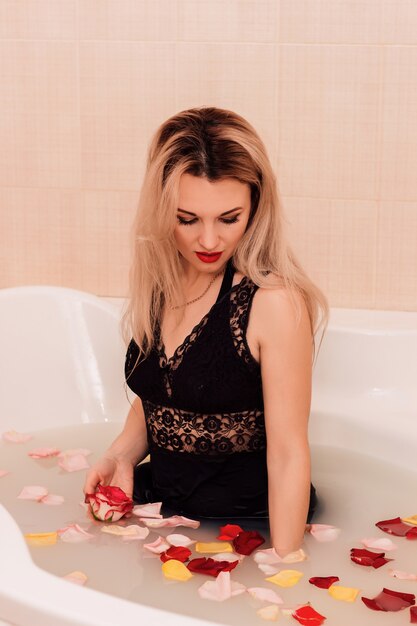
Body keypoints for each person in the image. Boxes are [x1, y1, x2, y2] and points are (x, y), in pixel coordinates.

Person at [84, 106, 328, 557]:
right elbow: (165, 392)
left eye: (229, 218)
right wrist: (121, 455)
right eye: (187, 219)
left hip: (247, 527)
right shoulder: (164, 278)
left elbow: (289, 452)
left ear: (256, 207)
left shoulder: (272, 301)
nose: (209, 242)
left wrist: (286, 560)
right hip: (163, 510)